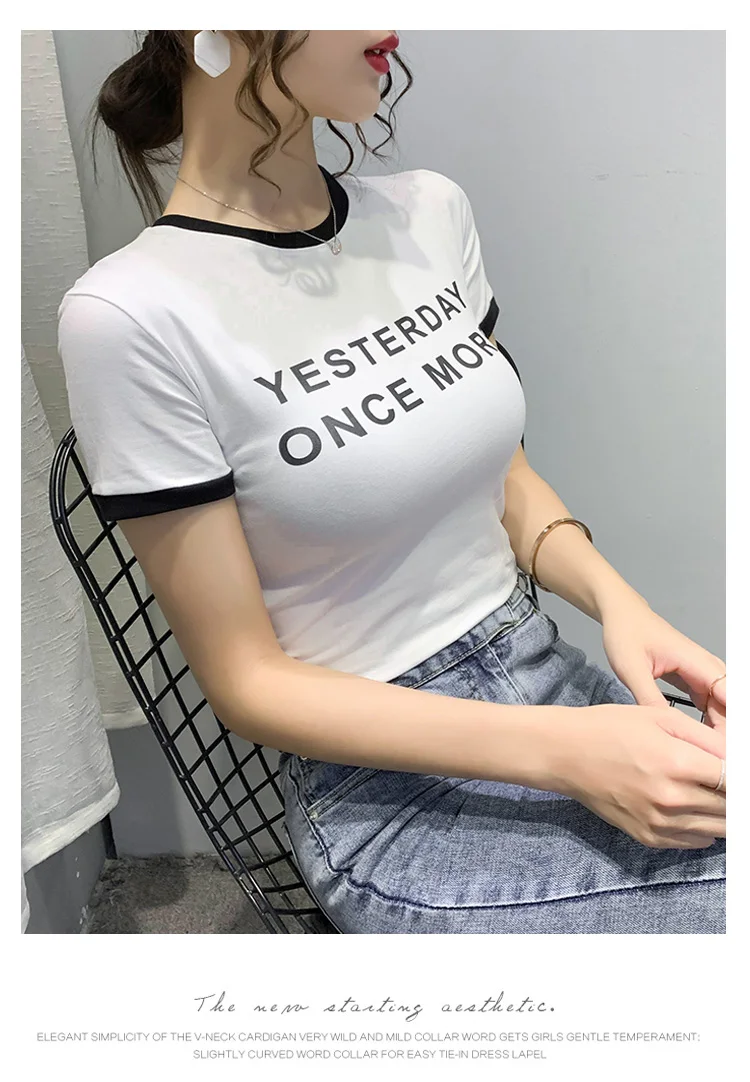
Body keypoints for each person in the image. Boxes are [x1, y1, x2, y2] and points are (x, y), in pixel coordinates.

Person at [57, 30, 726, 934]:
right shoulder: (129, 314)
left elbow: (505, 478)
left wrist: (623, 607)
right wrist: (568, 752)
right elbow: (247, 682)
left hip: (548, 677)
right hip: (388, 796)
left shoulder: (427, 213)